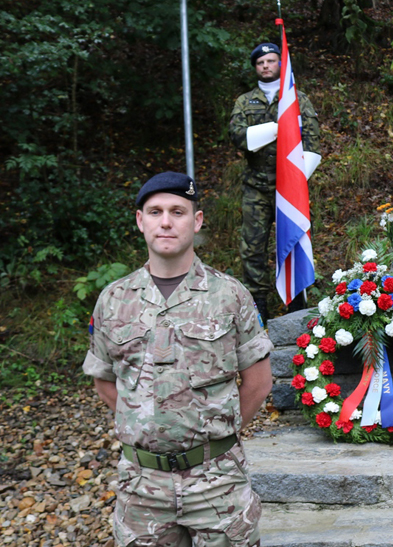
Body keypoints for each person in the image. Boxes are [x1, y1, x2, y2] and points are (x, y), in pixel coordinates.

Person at [84, 172, 274, 546]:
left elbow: (258, 381)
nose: (166, 221)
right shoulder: (114, 299)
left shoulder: (230, 295)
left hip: (217, 482)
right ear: (141, 221)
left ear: (197, 220)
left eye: (177, 211)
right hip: (142, 487)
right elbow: (105, 379)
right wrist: (147, 420)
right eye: (155, 212)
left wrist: (215, 434)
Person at [229, 42, 322, 321]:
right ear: (255, 67)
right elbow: (240, 138)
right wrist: (279, 127)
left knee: (293, 241)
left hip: (290, 188)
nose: (266, 66)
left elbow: (313, 144)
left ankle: (296, 307)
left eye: (271, 60)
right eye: (261, 62)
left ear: (280, 64)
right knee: (253, 249)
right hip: (256, 187)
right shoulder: (244, 102)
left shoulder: (298, 99)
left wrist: (296, 181)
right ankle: (258, 308)